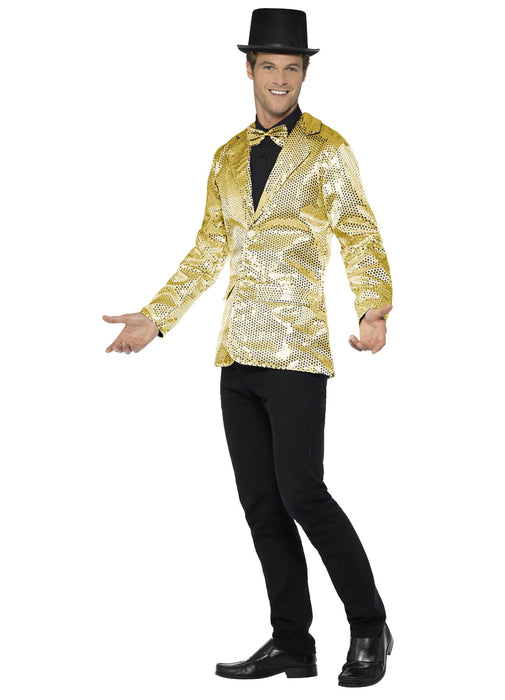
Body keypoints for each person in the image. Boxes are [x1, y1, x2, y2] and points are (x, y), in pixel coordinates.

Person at [103, 8, 394, 688]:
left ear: (303, 73)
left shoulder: (327, 149)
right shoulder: (227, 157)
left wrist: (373, 306)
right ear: (250, 69)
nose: (280, 79)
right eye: (269, 66)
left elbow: (358, 230)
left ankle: (368, 625)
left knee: (304, 494)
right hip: (237, 356)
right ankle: (292, 642)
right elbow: (209, 248)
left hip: (295, 351)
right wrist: (157, 317)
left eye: (292, 68)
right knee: (261, 505)